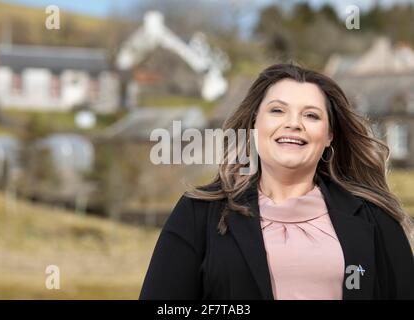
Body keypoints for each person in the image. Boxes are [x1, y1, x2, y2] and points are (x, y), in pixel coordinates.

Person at [139, 63, 414, 300]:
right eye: (278, 111)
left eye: (311, 115)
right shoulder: (199, 212)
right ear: (254, 123)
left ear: (329, 135)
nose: (294, 123)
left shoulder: (375, 219)